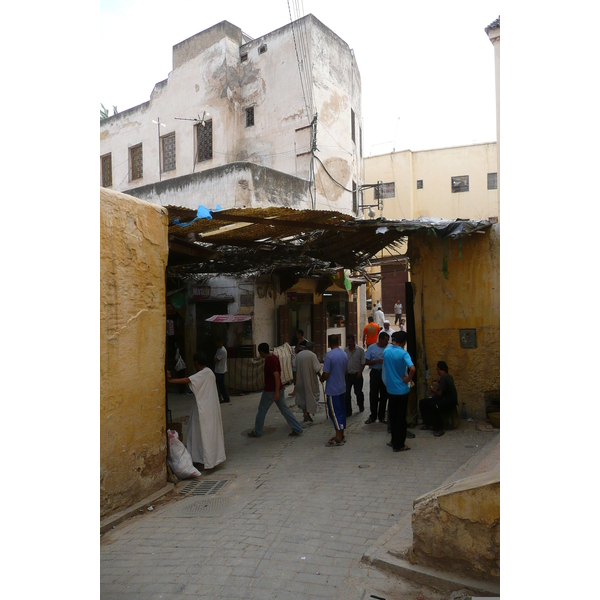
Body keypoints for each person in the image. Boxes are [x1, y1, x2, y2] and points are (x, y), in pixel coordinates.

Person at [167, 352, 226, 470]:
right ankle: (205, 459)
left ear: (196, 363)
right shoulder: (209, 372)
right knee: (205, 434)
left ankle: (203, 461)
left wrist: (171, 380)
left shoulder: (204, 373)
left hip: (203, 410)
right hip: (208, 408)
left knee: (200, 435)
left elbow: (188, 380)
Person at [248, 343, 303, 438]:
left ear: (261, 352)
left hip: (270, 390)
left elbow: (276, 376)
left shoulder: (270, 360)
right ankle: (297, 428)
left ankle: (257, 431)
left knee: (261, 410)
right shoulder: (274, 357)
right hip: (278, 389)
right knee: (285, 410)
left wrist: (276, 392)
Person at [382, 331, 415, 453]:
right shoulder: (403, 353)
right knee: (401, 419)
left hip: (390, 389)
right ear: (404, 342)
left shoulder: (386, 352)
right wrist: (408, 378)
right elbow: (412, 368)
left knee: (393, 416)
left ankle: (393, 440)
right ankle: (399, 444)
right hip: (401, 390)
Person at [320, 334, 349, 447]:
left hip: (333, 390)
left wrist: (322, 378)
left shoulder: (329, 356)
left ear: (329, 343)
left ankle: (338, 438)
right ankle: (341, 435)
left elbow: (326, 373)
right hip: (342, 387)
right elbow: (346, 371)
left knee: (335, 414)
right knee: (341, 412)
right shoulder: (344, 354)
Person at [419, 361, 458, 437]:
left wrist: (433, 390)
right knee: (423, 402)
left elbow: (439, 393)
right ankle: (428, 423)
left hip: (448, 401)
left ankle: (439, 429)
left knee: (434, 405)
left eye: (437, 369)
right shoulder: (447, 376)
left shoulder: (444, 377)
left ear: (439, 369)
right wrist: (438, 384)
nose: (437, 371)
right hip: (446, 399)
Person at [364, 331, 389, 424]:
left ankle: (381, 416)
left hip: (385, 373)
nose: (387, 342)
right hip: (375, 372)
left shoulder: (388, 348)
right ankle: (373, 415)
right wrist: (376, 361)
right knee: (373, 395)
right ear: (380, 339)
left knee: (384, 395)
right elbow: (366, 361)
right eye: (385, 340)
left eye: (387, 341)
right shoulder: (372, 348)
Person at [294, 341, 322, 422]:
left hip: (300, 380)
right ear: (313, 348)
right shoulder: (312, 355)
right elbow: (316, 368)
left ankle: (305, 413)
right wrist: (321, 377)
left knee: (302, 397)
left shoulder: (299, 355)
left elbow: (294, 368)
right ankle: (307, 414)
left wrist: (295, 380)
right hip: (310, 381)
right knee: (311, 396)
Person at [344, 334, 365, 416]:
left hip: (357, 375)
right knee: (346, 394)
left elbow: (363, 362)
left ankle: (361, 405)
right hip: (348, 375)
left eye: (350, 341)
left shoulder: (360, 350)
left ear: (354, 340)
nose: (349, 343)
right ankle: (348, 411)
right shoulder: (345, 351)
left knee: (358, 392)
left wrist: (360, 372)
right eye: (348, 341)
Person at [289, 329, 308, 397]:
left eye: (297, 334)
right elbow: (296, 351)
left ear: (300, 334)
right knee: (296, 374)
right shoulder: (298, 342)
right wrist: (298, 344)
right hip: (298, 359)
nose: (296, 335)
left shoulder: (306, 342)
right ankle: (295, 389)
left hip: (303, 360)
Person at [213, 339, 231, 404]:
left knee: (219, 385)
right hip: (218, 369)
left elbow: (216, 359)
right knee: (221, 384)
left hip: (220, 370)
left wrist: (215, 359)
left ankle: (221, 398)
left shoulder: (223, 351)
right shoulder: (219, 349)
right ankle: (225, 398)